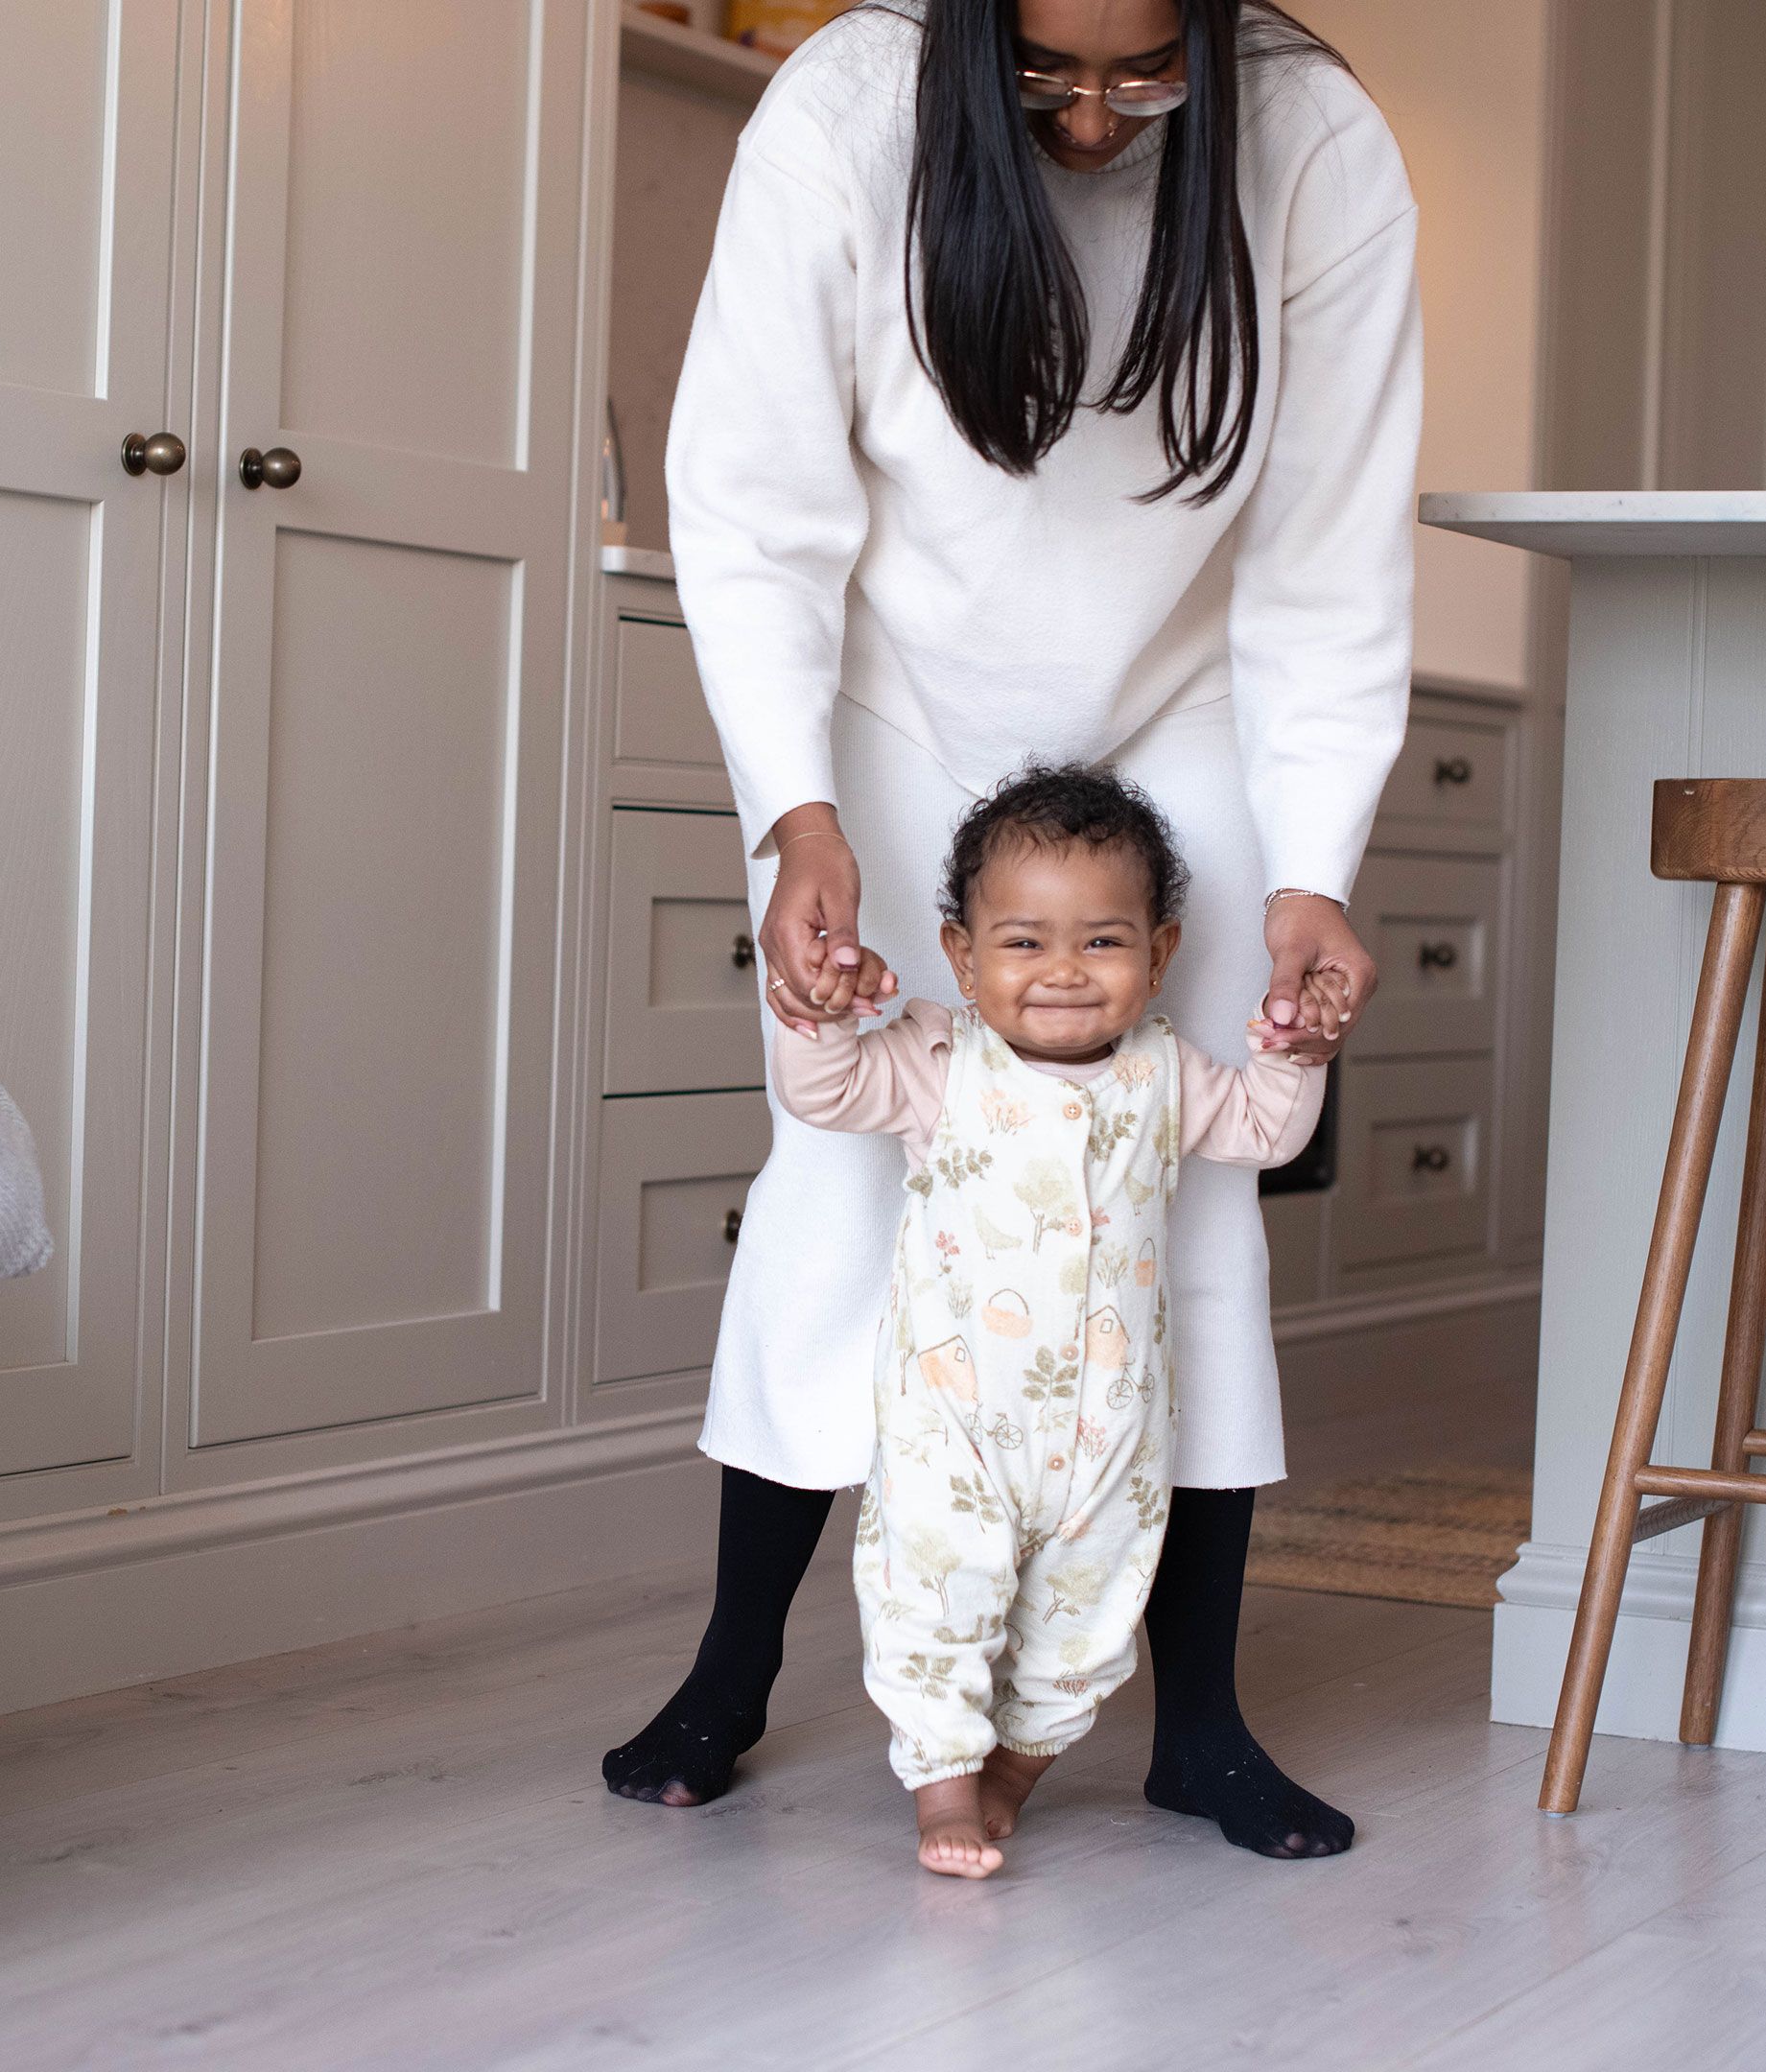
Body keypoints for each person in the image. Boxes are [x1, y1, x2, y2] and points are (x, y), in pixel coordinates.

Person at [603, 0, 1421, 1862]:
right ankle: (733, 1669)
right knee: (843, 1170)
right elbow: (753, 510)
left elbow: (1329, 558)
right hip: (891, 716)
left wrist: (1310, 861)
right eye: (1046, 73)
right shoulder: (844, 106)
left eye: (1149, 78)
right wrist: (788, 804)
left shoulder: (1316, 145)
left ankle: (1199, 1722)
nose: (1091, 120)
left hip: (1174, 711)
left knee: (1181, 1188)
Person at [774, 765, 1329, 1877]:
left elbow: (1270, 1132)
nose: (1064, 972)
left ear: (1161, 954)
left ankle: (1016, 1770)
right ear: (961, 956)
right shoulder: (940, 1061)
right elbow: (824, 1095)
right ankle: (941, 1792)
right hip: (955, 1423)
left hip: (1111, 1435)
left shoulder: (1167, 1074)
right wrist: (818, 1020)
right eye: (1023, 943)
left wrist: (1298, 1050)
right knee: (934, 1593)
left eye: (1104, 943)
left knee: (1088, 1619)